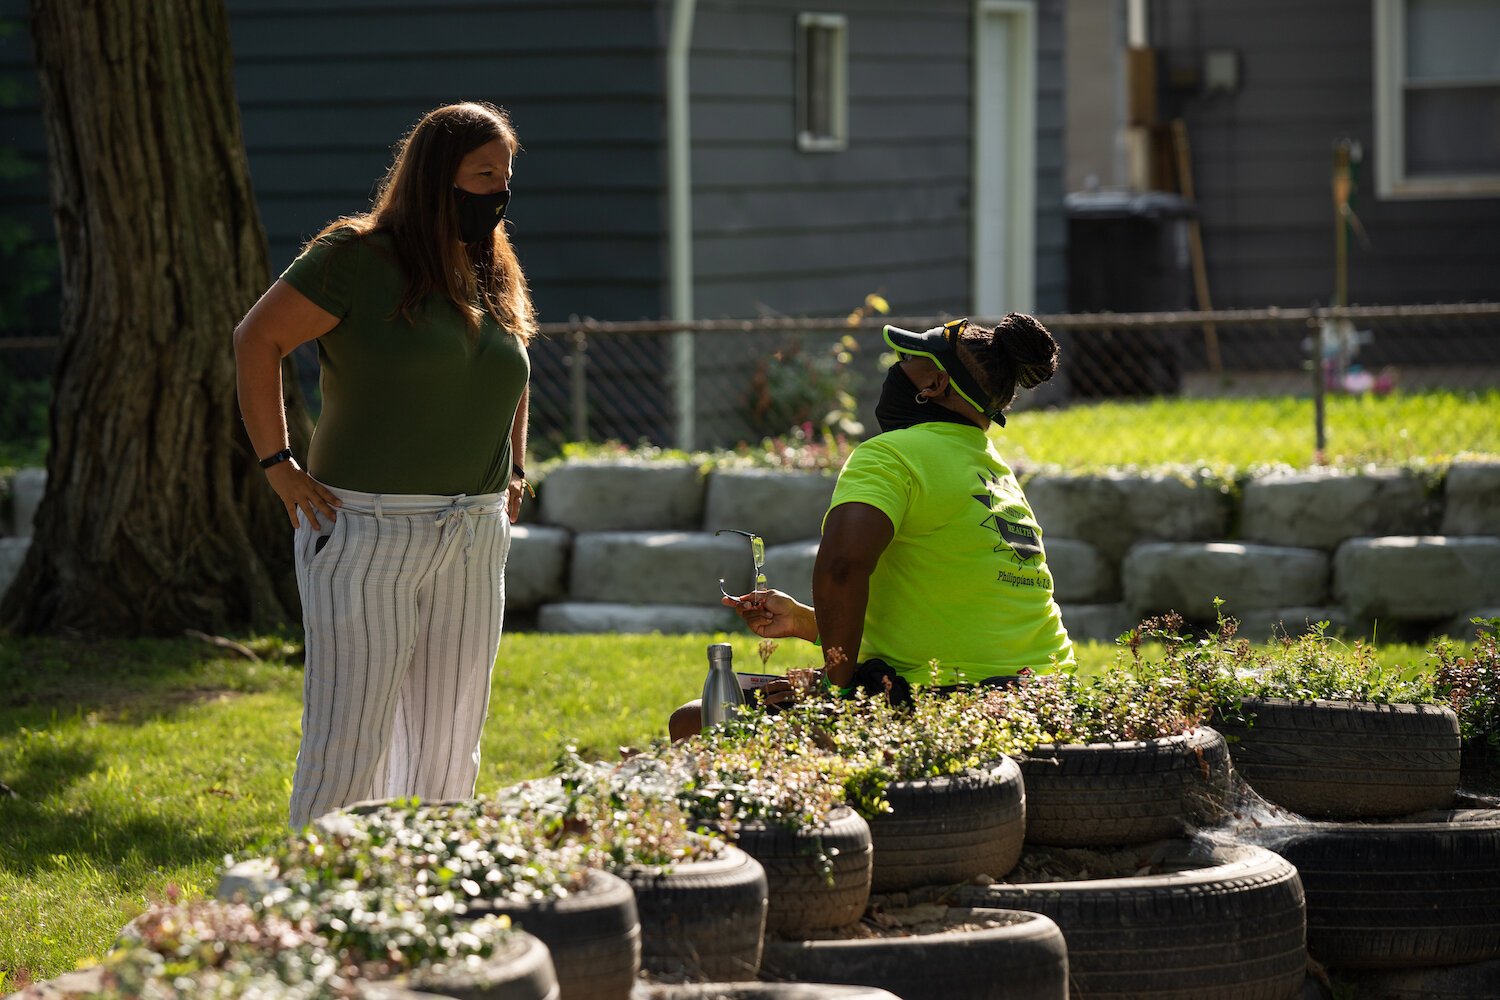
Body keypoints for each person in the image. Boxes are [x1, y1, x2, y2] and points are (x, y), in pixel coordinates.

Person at [234, 102, 535, 828]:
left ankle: (422, 896)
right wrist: (278, 464)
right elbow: (256, 339)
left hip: (472, 534)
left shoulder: (490, 266)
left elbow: (510, 372)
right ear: (437, 178)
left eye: (507, 176)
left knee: (449, 740)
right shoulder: (353, 258)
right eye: (483, 174)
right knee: (350, 738)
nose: (500, 192)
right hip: (365, 529)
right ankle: (313, 899)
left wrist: (516, 470)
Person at [670, 314, 1073, 740]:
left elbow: (842, 568)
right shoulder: (994, 470)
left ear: (934, 385)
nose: (895, 368)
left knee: (693, 722)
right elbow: (952, 615)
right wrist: (806, 622)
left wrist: (835, 685)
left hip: (953, 702)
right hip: (1047, 694)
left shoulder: (891, 455)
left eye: (907, 359)